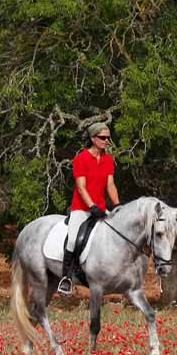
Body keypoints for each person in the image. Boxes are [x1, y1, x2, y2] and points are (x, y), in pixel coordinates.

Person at [58, 122, 120, 293]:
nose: (107, 140)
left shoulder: (108, 160)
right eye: (103, 137)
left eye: (108, 137)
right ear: (93, 138)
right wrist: (92, 206)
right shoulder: (81, 159)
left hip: (100, 208)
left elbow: (110, 185)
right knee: (72, 240)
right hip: (81, 208)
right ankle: (66, 277)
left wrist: (117, 205)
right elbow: (81, 187)